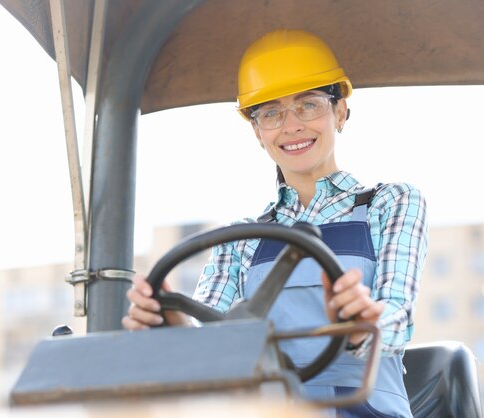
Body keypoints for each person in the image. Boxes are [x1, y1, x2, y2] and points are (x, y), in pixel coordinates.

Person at [123, 29, 428, 418]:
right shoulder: (239, 239)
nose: (292, 126)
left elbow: (398, 317)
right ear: (257, 131)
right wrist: (173, 323)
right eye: (271, 112)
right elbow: (210, 352)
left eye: (309, 105)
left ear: (340, 111)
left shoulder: (391, 202)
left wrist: (359, 324)